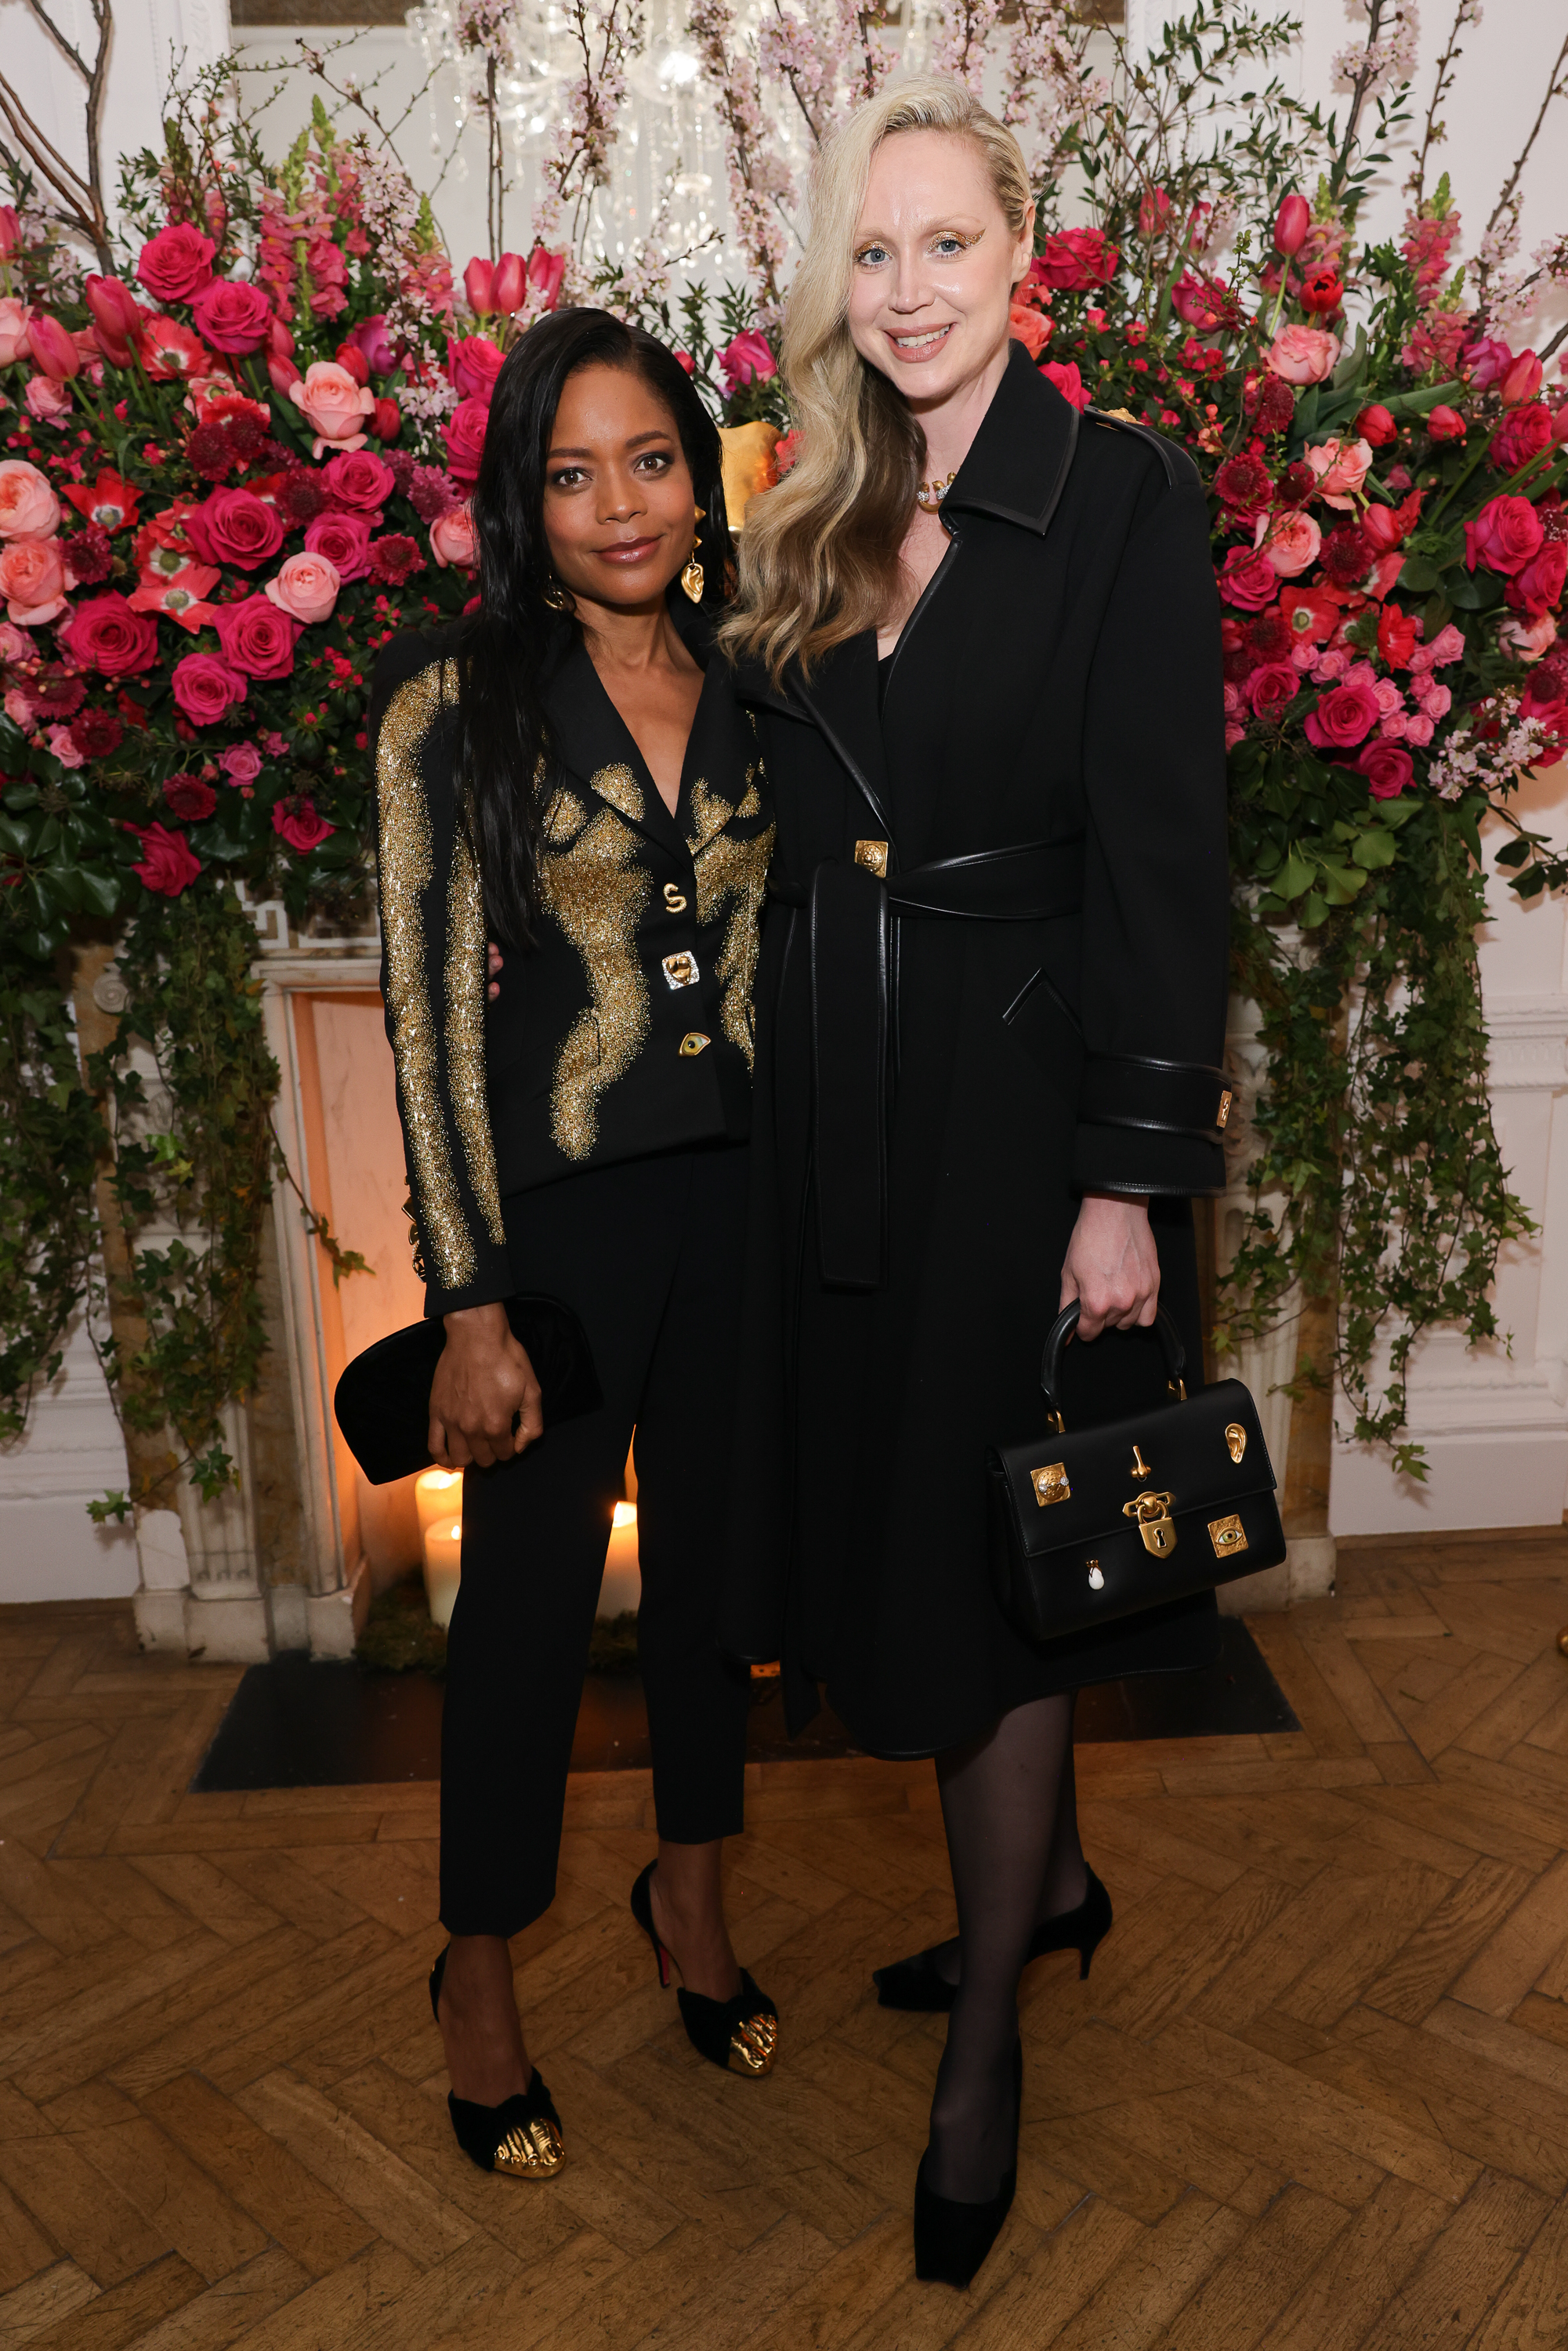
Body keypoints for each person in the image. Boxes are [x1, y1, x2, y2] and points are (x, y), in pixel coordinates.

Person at [719, 78, 1229, 2287]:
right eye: (872, 250)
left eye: (945, 242)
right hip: (839, 1102)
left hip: (1027, 1115)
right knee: (915, 1519)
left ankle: (990, 2039)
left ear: (1024, 249)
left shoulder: (1122, 500)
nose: (908, 288)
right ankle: (1057, 1891)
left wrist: (1126, 1181)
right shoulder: (807, 499)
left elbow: (1166, 871)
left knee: (996, 1562)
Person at [369, 308, 779, 2184]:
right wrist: (466, 1303)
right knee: (528, 1624)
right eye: (570, 470)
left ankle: (689, 1898)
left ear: (699, 477)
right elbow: (430, 1020)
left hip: (752, 1209)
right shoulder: (455, 710)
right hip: (561, 1237)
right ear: (520, 503)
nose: (619, 504)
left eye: (649, 460)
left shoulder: (764, 675)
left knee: (715, 1597)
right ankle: (477, 1972)